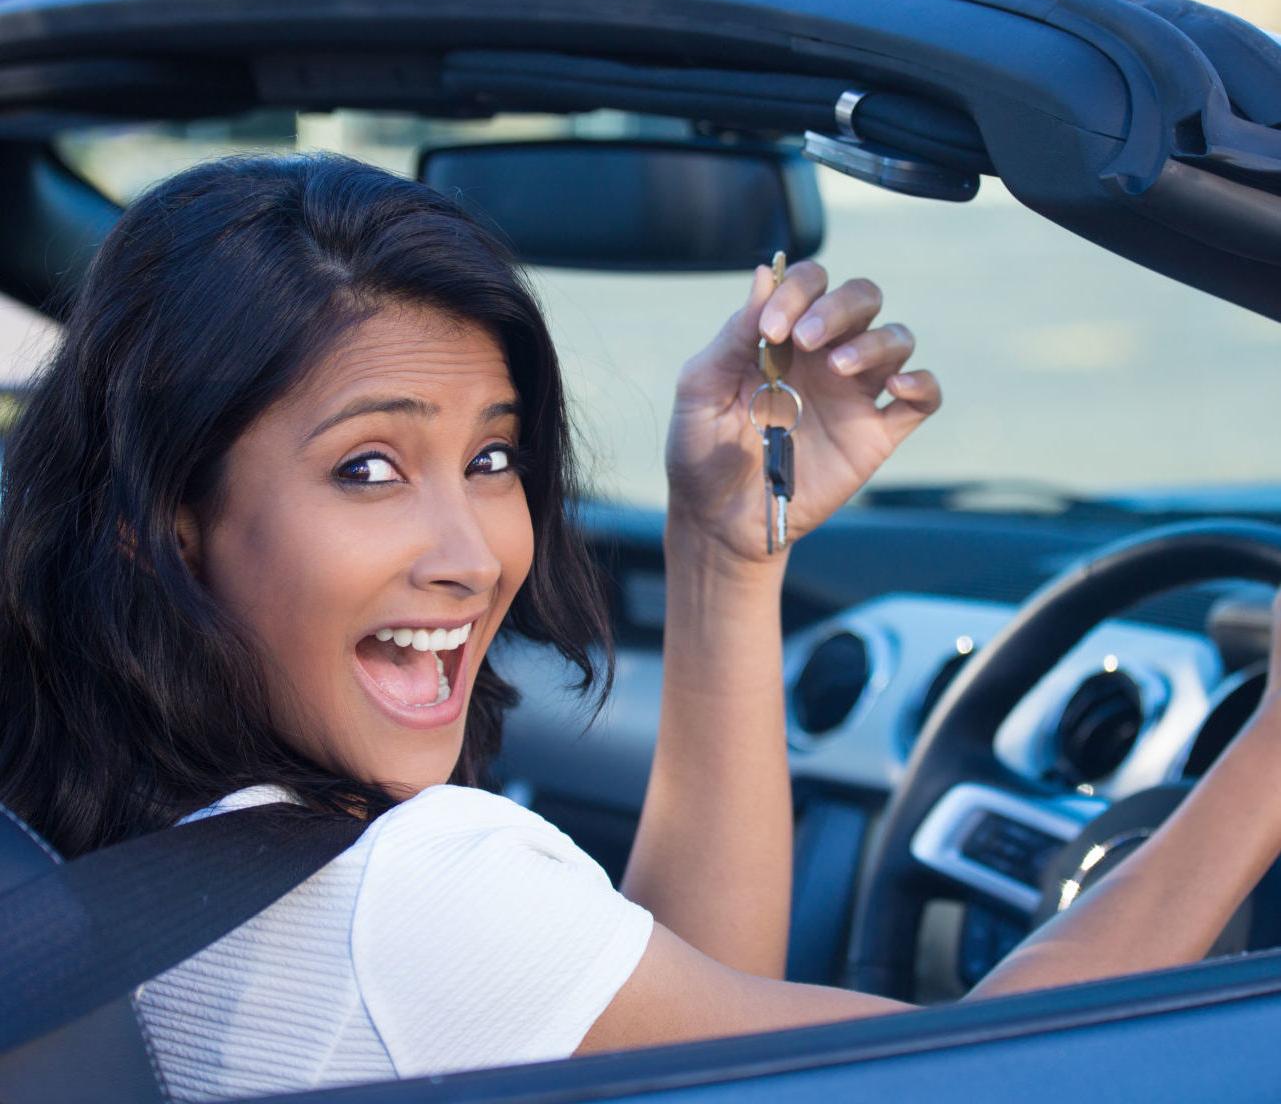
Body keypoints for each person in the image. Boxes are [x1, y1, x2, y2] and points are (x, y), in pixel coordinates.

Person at [1, 152, 1279, 1102]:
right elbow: (1004, 1083)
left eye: (492, 457)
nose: (470, 555)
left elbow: (674, 1047)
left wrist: (724, 555)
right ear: (167, 521)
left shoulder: (95, 841)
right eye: (370, 469)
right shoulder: (403, 889)